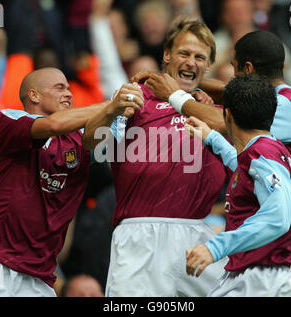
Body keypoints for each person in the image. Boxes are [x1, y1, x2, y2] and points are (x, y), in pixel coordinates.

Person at [132, 30, 291, 297]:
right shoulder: (280, 105)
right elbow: (232, 97)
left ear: (247, 69)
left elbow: (226, 119)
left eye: (235, 69)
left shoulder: (284, 106)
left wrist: (176, 96)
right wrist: (185, 88)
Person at [0, 67, 143, 297]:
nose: (68, 94)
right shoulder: (9, 121)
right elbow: (53, 125)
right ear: (34, 95)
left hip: (38, 280)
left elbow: (100, 135)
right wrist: (110, 104)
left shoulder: (80, 141)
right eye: (60, 88)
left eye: (70, 89)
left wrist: (123, 106)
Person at [82, 18, 228, 297]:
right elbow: (92, 143)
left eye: (200, 57)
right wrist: (112, 110)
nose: (191, 62)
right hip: (140, 235)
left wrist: (190, 93)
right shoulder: (136, 97)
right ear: (167, 55)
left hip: (196, 235)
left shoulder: (212, 109)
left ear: (208, 66)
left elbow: (242, 118)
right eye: (184, 53)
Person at [184, 74, 291, 296]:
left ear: (227, 115)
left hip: (265, 279)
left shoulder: (263, 154)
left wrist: (214, 247)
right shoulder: (265, 150)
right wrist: (212, 137)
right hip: (269, 274)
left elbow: (278, 216)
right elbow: (245, 169)